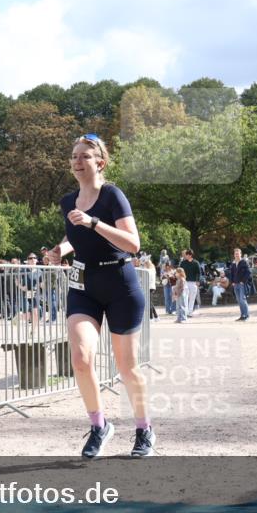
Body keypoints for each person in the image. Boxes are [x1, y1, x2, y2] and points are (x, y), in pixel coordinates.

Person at [46, 134, 153, 458]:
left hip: (120, 284)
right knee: (80, 359)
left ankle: (144, 429)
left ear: (100, 163)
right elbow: (74, 236)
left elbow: (133, 244)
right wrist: (61, 250)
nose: (77, 161)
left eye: (85, 156)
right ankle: (99, 426)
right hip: (84, 286)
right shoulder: (68, 201)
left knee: (127, 368)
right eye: (74, 156)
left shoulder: (112, 196)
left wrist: (94, 222)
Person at [227, 248, 251, 321]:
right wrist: (232, 282)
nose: (236, 255)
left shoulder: (244, 262)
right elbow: (231, 274)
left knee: (242, 299)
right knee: (239, 300)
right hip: (235, 284)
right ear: (234, 255)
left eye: (238, 254)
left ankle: (246, 315)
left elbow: (248, 272)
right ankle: (242, 315)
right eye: (235, 254)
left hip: (241, 284)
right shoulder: (233, 263)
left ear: (240, 254)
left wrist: (243, 281)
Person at [179, 249, 201, 317]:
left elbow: (198, 273)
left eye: (187, 255)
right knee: (185, 297)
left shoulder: (196, 263)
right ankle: (185, 312)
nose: (185, 256)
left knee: (192, 298)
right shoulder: (183, 263)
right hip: (185, 282)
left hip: (193, 282)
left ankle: (190, 312)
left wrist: (198, 281)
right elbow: (180, 272)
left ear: (190, 255)